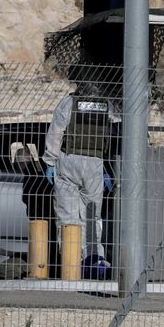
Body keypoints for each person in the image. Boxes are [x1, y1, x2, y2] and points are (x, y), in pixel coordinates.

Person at [42, 79, 119, 280]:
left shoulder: (68, 103)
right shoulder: (106, 104)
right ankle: (94, 259)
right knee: (92, 215)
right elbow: (117, 126)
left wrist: (50, 161)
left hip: (69, 160)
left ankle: (71, 261)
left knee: (67, 215)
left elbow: (56, 132)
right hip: (95, 163)